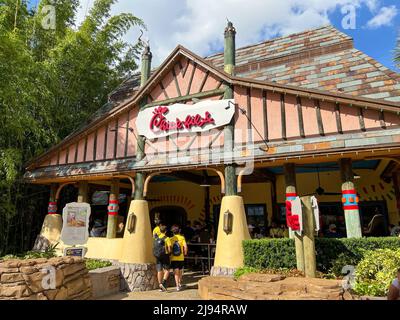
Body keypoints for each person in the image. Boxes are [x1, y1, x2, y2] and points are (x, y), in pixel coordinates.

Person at [167, 224, 188, 291]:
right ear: (179, 231)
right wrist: (185, 253)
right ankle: (179, 283)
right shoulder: (182, 238)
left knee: (176, 272)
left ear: (172, 232)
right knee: (181, 271)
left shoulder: (170, 239)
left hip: (173, 258)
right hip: (181, 257)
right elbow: (185, 247)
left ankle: (177, 286)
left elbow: (169, 248)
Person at [152, 221, 170, 292]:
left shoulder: (156, 238)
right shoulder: (166, 238)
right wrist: (169, 253)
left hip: (157, 255)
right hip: (164, 255)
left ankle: (160, 286)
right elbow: (169, 247)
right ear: (165, 231)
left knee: (159, 270)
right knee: (167, 270)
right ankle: (163, 282)